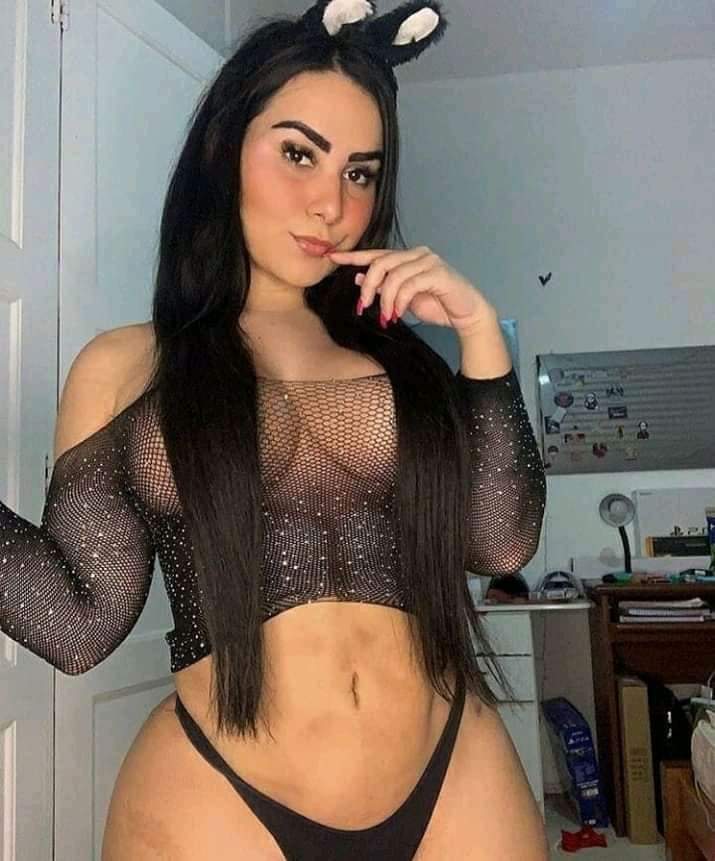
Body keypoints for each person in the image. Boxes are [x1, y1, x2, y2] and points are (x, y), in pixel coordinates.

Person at [0, 1, 548, 857]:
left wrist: (480, 335)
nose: (330, 203)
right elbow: (78, 623)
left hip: (453, 773)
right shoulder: (129, 366)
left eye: (360, 173)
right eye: (299, 153)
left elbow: (500, 542)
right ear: (224, 149)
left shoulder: (403, 361)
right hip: (218, 793)